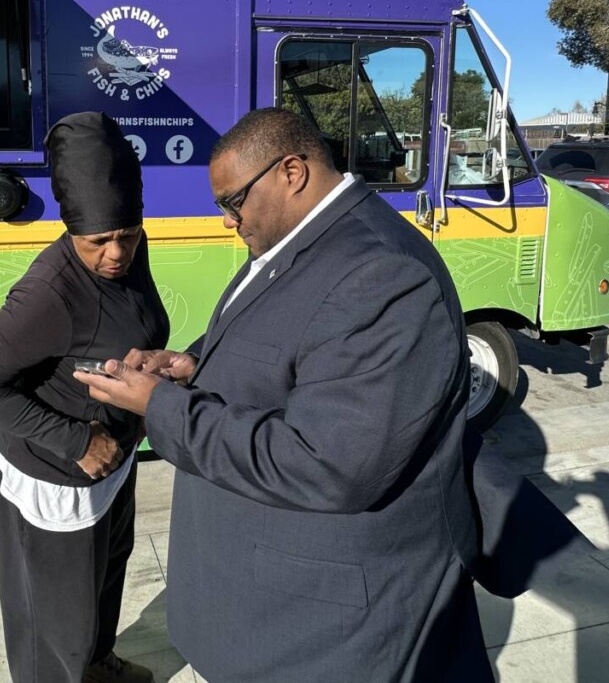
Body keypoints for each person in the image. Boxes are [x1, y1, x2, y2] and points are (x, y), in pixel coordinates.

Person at [76, 108, 493, 683]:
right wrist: (192, 365)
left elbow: (331, 465)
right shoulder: (300, 241)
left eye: (233, 202)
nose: (228, 221)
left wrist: (162, 407)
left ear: (292, 172)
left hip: (326, 630)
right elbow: (283, 340)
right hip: (270, 604)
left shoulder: (382, 273)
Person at [0, 112, 166, 683]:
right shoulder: (48, 293)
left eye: (128, 234)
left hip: (115, 456)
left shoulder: (131, 249)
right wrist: (77, 441)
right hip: (58, 471)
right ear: (71, 228)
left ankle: (97, 667)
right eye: (99, 242)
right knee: (57, 618)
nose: (117, 254)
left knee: (107, 578)